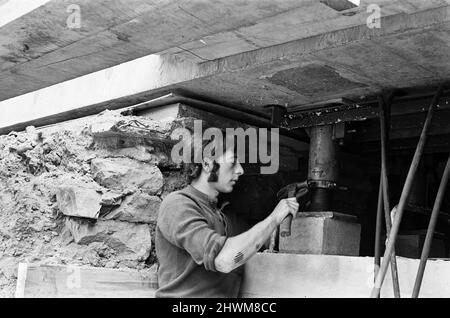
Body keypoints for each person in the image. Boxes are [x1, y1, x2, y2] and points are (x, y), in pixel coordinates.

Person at [155, 134, 301, 298]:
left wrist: (283, 224)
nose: (240, 170)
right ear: (207, 164)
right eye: (233, 162)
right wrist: (274, 217)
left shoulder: (223, 216)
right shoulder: (177, 205)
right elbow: (224, 260)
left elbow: (254, 241)